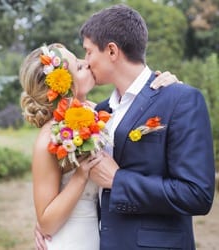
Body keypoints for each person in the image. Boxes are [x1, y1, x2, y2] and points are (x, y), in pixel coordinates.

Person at [78, 4, 215, 250]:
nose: (86, 62)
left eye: (88, 52)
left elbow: (197, 194)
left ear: (111, 51)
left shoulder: (180, 100)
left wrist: (119, 180)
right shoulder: (99, 111)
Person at [20, 43, 180, 250]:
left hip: (104, 236)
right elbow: (47, 223)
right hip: (71, 241)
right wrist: (80, 176)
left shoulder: (100, 112)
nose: (86, 63)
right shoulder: (49, 138)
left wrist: (171, 88)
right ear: (63, 88)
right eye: (78, 66)